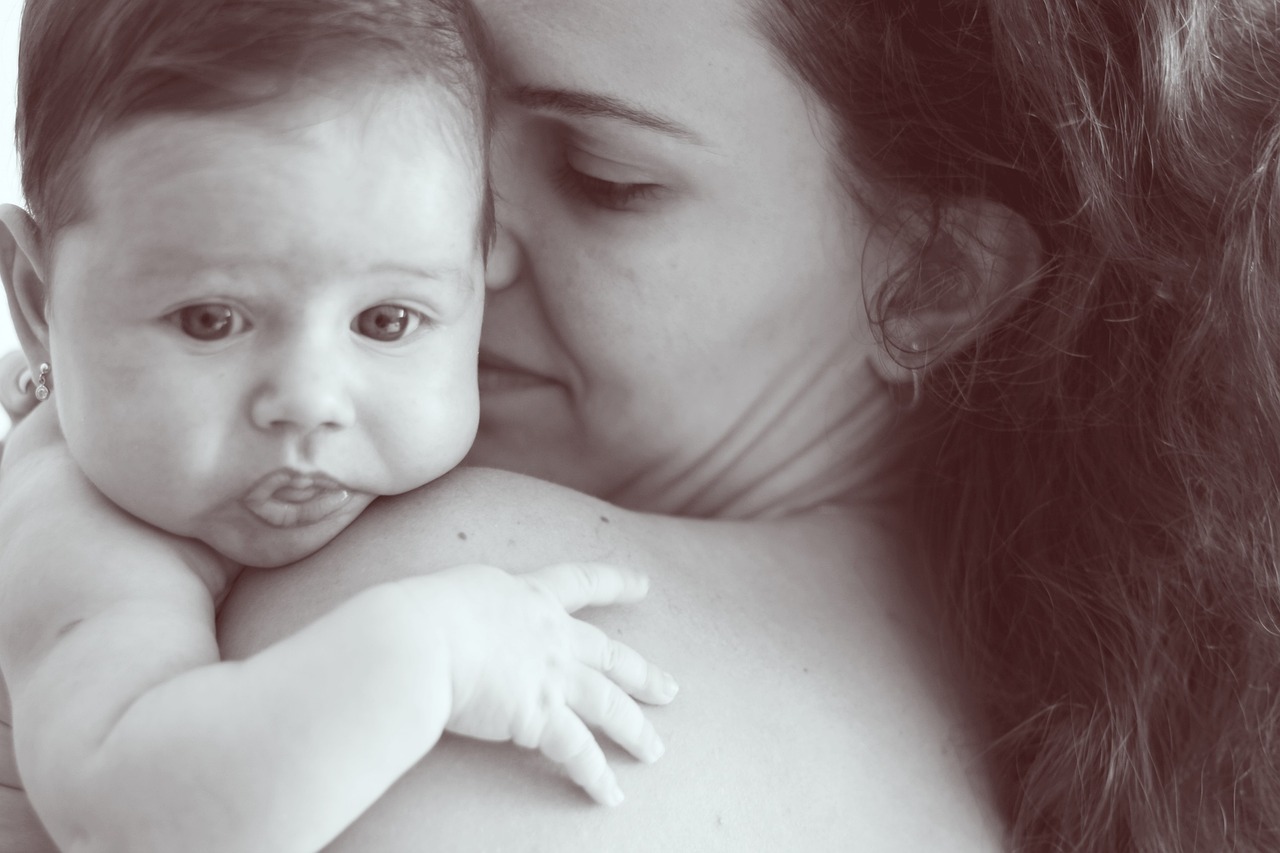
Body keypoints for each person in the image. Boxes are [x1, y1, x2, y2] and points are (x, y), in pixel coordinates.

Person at [4, 0, 1280, 850]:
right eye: (443, 125)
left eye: (601, 178)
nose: (450, 244)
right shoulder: (1089, 735)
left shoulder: (430, 608)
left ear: (933, 282)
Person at [0, 1, 677, 850]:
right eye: (211, 320)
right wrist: (433, 653)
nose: (311, 399)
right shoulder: (80, 535)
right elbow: (130, 818)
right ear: (41, 302)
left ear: (481, 279)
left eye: (387, 321)